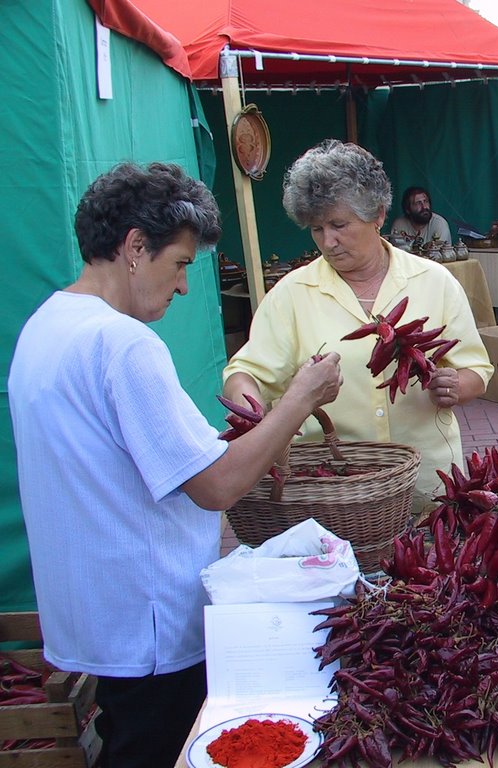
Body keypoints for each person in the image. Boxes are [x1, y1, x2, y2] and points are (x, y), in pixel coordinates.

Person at [7, 163, 343, 768]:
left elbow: (119, 457)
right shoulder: (123, 343)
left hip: (95, 610)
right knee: (153, 749)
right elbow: (216, 486)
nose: (185, 286)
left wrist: (244, 438)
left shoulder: (46, 324)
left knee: (129, 735)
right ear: (136, 247)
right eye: (181, 263)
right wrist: (300, 398)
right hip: (147, 622)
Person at [224, 140, 492, 512]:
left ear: (378, 214)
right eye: (316, 229)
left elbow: (477, 369)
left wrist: (456, 386)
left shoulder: (435, 281)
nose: (328, 242)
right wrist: (253, 418)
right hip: (332, 494)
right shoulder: (291, 294)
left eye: (339, 225)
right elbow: (245, 374)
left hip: (428, 489)